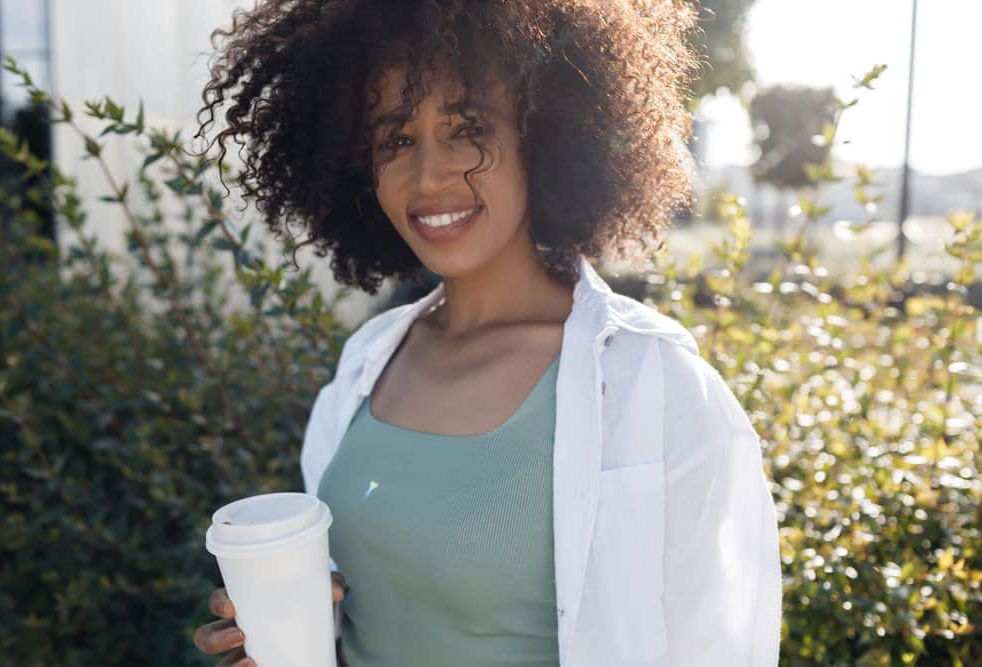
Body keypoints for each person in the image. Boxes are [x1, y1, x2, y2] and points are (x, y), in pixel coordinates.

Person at [192, 1, 782, 665]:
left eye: (468, 129)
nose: (429, 176)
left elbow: (722, 644)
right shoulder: (367, 364)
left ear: (546, 136)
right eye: (395, 138)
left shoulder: (654, 385)